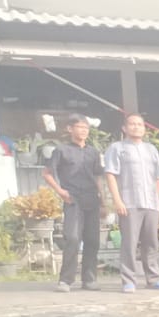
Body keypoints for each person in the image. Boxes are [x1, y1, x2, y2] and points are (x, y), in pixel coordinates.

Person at [104, 113, 159, 292]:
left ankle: (153, 279)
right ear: (124, 128)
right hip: (129, 202)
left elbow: (158, 176)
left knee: (151, 243)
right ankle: (129, 280)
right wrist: (117, 200)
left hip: (151, 203)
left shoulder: (151, 149)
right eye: (132, 124)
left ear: (144, 129)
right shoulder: (117, 148)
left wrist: (156, 198)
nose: (136, 127)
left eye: (140, 124)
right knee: (129, 243)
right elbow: (110, 174)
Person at [45, 114, 105, 292]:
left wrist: (104, 201)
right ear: (70, 129)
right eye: (80, 127)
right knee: (72, 238)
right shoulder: (61, 150)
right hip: (73, 199)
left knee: (92, 240)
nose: (83, 131)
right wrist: (60, 191)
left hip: (92, 199)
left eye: (86, 128)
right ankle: (66, 280)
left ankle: (89, 279)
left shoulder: (93, 152)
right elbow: (47, 173)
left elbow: (98, 177)